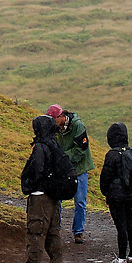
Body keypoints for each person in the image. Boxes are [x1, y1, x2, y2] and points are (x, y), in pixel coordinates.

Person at [17, 114, 65, 263]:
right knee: (53, 231)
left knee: (36, 232)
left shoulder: (40, 147)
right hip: (53, 195)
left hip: (39, 196)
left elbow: (37, 171)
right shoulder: (55, 145)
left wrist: (29, 184)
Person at [47, 104, 94, 243]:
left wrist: (62, 157)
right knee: (57, 200)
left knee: (80, 202)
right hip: (61, 169)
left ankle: (78, 232)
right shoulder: (54, 127)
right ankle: (56, 228)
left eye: (54, 119)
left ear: (61, 117)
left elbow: (81, 149)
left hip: (78, 169)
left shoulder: (78, 126)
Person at [99, 122, 132, 263]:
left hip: (116, 197)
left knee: (121, 226)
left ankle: (121, 258)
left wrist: (106, 192)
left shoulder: (112, 155)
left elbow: (105, 177)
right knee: (130, 224)